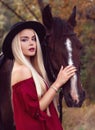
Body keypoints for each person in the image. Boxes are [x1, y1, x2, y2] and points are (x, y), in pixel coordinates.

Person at [2, 21, 77, 130]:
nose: (31, 43)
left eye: (33, 39)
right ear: (16, 44)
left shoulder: (29, 69)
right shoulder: (22, 70)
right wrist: (57, 83)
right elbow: (37, 109)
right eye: (24, 40)